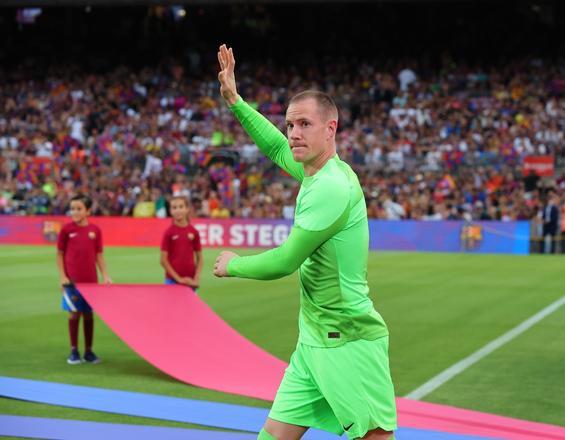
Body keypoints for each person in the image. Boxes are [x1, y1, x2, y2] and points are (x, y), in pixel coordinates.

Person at [213, 44, 396, 440]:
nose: (293, 134)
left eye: (304, 125)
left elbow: (285, 261)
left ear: (330, 128)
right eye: (290, 124)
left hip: (346, 339)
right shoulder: (315, 170)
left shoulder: (330, 186)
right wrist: (235, 100)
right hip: (314, 341)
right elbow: (276, 146)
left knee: (374, 437)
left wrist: (233, 264)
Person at [56, 194, 111, 365]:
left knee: (88, 315)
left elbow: (99, 255)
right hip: (71, 282)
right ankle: (74, 351)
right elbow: (59, 254)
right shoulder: (66, 230)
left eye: (79, 209)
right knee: (74, 314)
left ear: (87, 211)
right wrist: (63, 276)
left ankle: (88, 351)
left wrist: (105, 275)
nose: (75, 212)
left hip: (91, 282)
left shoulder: (95, 231)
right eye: (72, 208)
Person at [160, 196, 203, 290]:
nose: (177, 210)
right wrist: (178, 279)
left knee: (190, 305)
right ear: (170, 211)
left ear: (187, 209)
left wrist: (196, 278)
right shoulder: (169, 232)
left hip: (191, 281)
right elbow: (163, 260)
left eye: (181, 206)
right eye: (174, 207)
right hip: (172, 281)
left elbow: (200, 258)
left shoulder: (194, 232)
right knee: (170, 305)